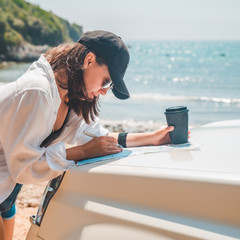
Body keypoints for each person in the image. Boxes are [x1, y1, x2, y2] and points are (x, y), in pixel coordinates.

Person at [0, 30, 174, 240]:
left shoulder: (68, 94)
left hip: (7, 189)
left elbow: (99, 138)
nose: (104, 91)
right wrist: (81, 152)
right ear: (89, 60)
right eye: (107, 81)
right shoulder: (37, 91)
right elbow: (25, 168)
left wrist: (153, 138)